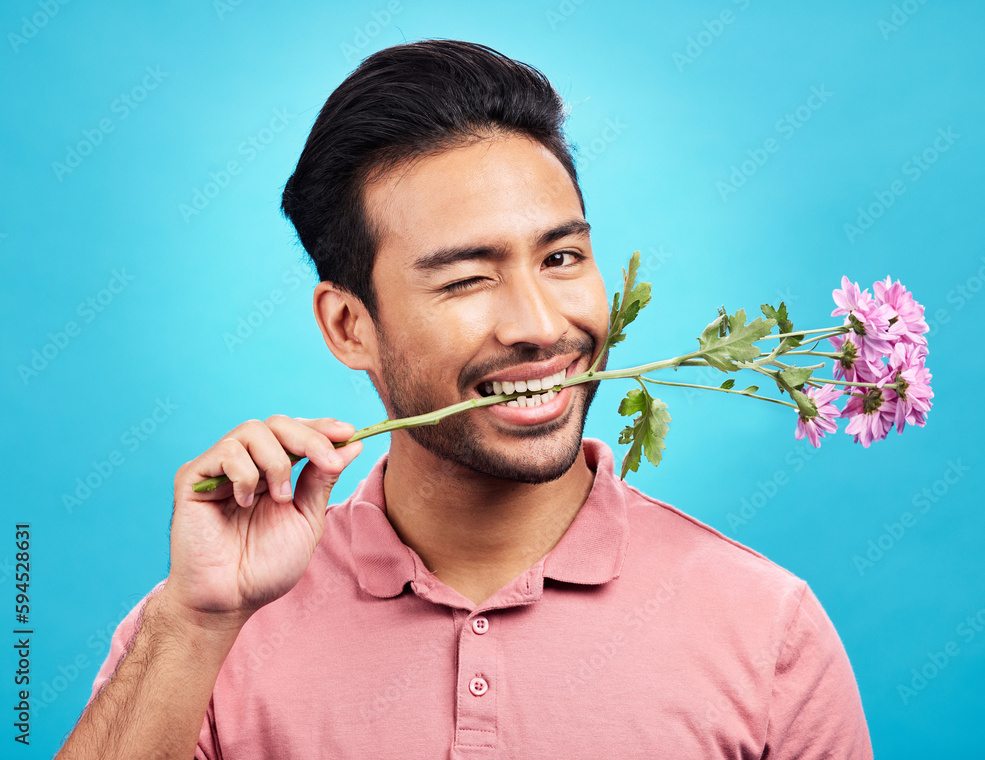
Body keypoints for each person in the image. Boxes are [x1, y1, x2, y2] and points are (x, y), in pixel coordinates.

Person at [58, 39, 873, 759]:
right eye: (469, 278)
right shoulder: (203, 626)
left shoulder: (769, 630)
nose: (540, 326)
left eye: (561, 259)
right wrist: (196, 625)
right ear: (349, 326)